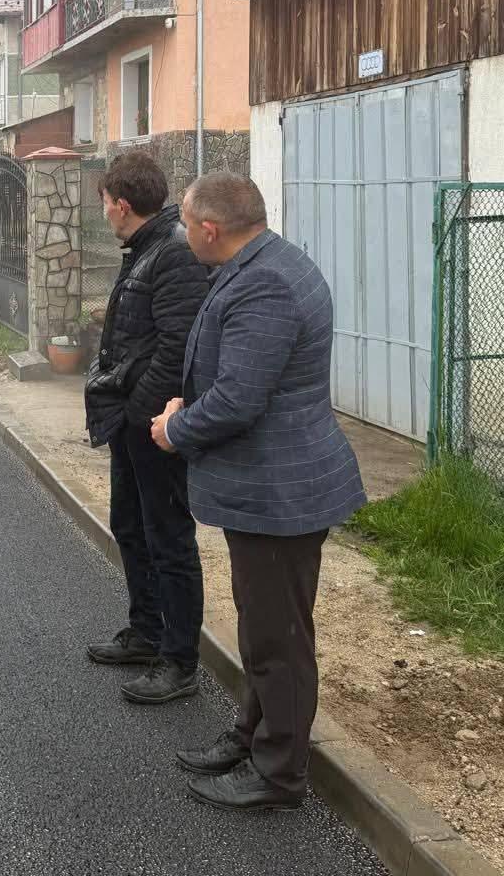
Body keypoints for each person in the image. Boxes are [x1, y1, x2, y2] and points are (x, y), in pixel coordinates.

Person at [150, 172, 365, 813]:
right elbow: (241, 373)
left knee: (280, 639)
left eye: (186, 224)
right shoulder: (260, 262)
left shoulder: (265, 283)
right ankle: (252, 735)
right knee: (262, 625)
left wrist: (175, 429)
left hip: (279, 494)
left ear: (209, 229)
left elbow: (240, 400)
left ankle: (279, 774)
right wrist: (189, 402)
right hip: (271, 488)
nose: (182, 234)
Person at [83, 151, 209, 705]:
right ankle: (146, 631)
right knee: (131, 526)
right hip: (131, 422)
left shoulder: (173, 253)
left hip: (155, 425)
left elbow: (177, 349)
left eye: (105, 203)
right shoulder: (146, 247)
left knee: (168, 538)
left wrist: (140, 413)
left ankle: (179, 661)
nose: (104, 213)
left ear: (121, 205)